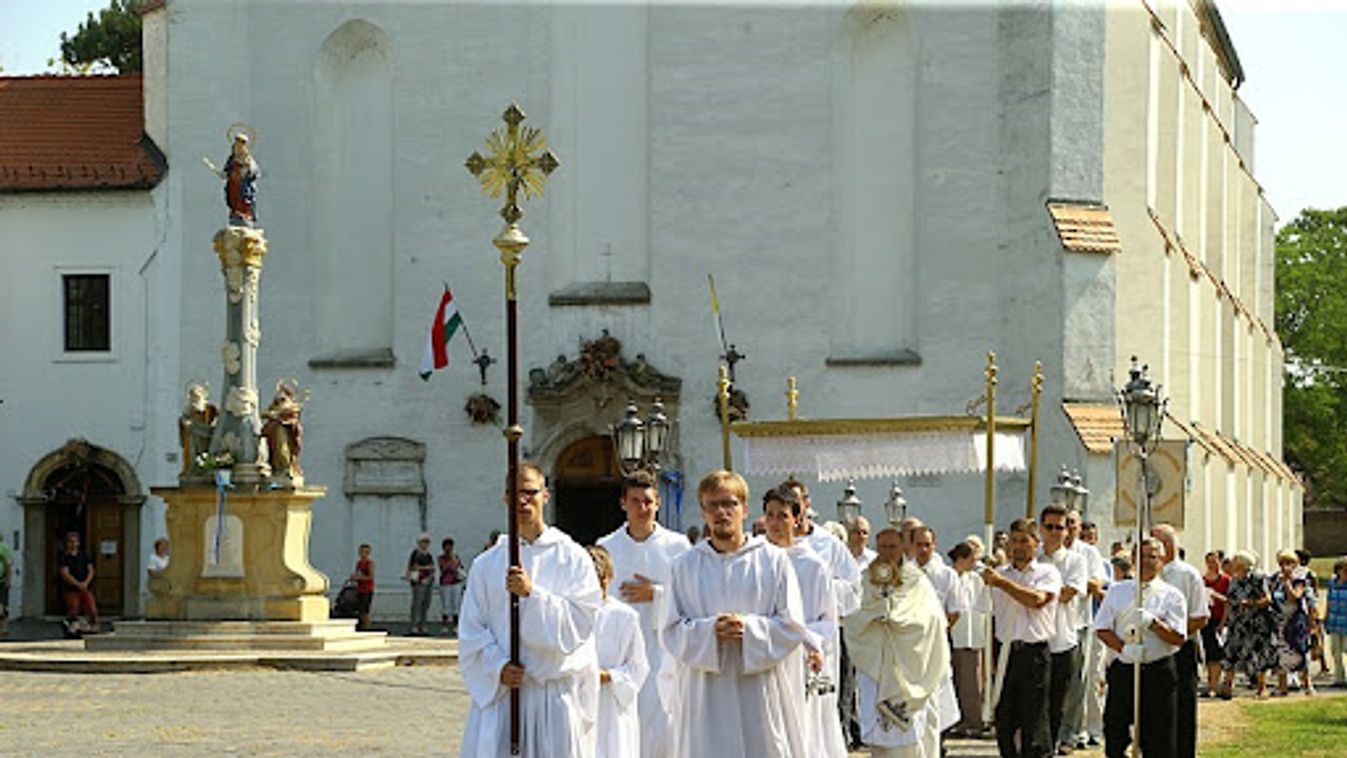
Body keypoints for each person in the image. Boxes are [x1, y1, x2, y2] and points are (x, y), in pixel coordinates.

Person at [458, 462, 602, 757]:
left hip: (553, 699)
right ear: (505, 498)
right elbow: (472, 629)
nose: (523, 500)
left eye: (530, 492)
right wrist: (497, 667)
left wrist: (532, 595)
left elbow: (581, 623)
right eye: (515, 494)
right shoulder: (486, 564)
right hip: (505, 697)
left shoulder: (573, 558)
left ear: (545, 496)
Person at [664, 470, 808, 758]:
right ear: (703, 512)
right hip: (705, 694)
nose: (721, 512)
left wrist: (750, 630)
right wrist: (708, 632)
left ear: (745, 509)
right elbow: (670, 629)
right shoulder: (684, 566)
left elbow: (792, 626)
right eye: (712, 505)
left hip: (758, 689)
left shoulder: (773, 561)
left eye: (729, 504)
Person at [596, 470, 691, 758]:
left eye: (648, 501)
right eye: (635, 501)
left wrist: (657, 595)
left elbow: (690, 600)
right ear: (623, 503)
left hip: (661, 649)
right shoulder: (607, 546)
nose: (642, 508)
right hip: (619, 654)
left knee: (662, 726)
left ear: (658, 503)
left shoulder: (678, 547)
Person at [845, 527, 950, 757]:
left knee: (913, 738)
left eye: (892, 546)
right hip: (876, 665)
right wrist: (874, 615)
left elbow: (930, 619)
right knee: (882, 742)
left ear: (903, 547)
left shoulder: (917, 580)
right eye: (882, 546)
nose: (887, 552)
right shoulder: (866, 579)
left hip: (910, 668)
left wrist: (895, 618)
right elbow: (853, 617)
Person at [762, 486, 848, 757]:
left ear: (796, 519)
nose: (775, 523)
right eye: (770, 515)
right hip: (764, 656)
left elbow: (827, 619)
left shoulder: (814, 566)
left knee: (804, 731)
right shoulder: (756, 560)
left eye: (782, 516)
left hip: (800, 659)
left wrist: (807, 640)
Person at [1094, 537, 1188, 758]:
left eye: (1152, 557)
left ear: (1162, 560)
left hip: (1158, 671)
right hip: (1124, 669)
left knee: (1159, 738)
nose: (1146, 561)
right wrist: (1123, 649)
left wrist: (1153, 623)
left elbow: (1178, 637)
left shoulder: (1172, 596)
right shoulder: (1117, 591)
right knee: (1115, 732)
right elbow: (1102, 628)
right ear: (1133, 559)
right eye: (1142, 556)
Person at [982, 518, 1060, 758]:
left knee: (1034, 719)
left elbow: (1036, 600)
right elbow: (987, 613)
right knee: (1005, 718)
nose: (1018, 546)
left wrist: (1002, 583)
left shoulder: (1047, 572)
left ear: (1035, 544)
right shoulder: (998, 575)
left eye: (1024, 541)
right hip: (1006, 652)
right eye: (1014, 541)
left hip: (1034, 653)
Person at [1149, 523, 1207, 757]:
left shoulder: (1186, 575)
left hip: (1180, 648)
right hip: (1152, 651)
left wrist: (1173, 635)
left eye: (1154, 544)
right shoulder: (1146, 575)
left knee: (1182, 709)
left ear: (1168, 545)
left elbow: (1200, 616)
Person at [587, 545, 649, 758]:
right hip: (582, 700)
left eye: (601, 578)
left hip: (613, 705)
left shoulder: (625, 616)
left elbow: (638, 667)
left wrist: (610, 676)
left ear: (610, 577)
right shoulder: (574, 615)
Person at [1037, 504, 1087, 756]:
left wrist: (1038, 594)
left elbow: (1068, 594)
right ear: (1041, 528)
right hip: (1034, 638)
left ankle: (1052, 747)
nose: (1055, 532)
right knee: (1034, 702)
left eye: (1060, 527)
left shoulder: (1076, 560)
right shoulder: (1032, 557)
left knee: (1058, 702)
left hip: (1062, 638)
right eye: (1050, 527)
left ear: (1068, 531)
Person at [1216, 550, 1277, 699]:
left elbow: (1268, 599)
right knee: (1231, 653)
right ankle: (1227, 686)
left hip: (1256, 624)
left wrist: (1251, 603)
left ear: (1243, 564)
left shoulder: (1258, 578)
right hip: (1237, 623)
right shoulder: (1234, 580)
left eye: (1235, 561)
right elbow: (1229, 602)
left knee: (1258, 655)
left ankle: (1262, 687)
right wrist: (1224, 622)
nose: (1232, 564)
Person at [841, 515, 877, 749]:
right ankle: (848, 729)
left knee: (867, 681)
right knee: (846, 681)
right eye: (856, 531)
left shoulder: (875, 560)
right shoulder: (841, 558)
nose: (860, 536)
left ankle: (867, 728)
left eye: (864, 532)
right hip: (845, 625)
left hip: (868, 627)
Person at [947, 541, 989, 738]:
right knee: (954, 680)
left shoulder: (975, 579)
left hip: (971, 636)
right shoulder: (949, 576)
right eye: (972, 559)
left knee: (971, 682)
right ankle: (957, 720)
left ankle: (973, 720)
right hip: (953, 635)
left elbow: (981, 606)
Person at [1270, 549, 1315, 696]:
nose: (1285, 566)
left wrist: (1288, 582)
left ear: (1295, 564)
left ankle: (1308, 685)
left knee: (1300, 650)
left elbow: (1296, 596)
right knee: (1280, 652)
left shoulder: (1299, 579)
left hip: (1296, 620)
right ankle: (1282, 687)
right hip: (1280, 620)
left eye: (1289, 563)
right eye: (1282, 563)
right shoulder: (1275, 578)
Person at [58, 531, 99, 635]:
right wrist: (77, 584)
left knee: (92, 608)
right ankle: (72, 628)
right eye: (70, 542)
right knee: (73, 609)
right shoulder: (64, 557)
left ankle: (94, 627)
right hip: (71, 589)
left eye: (75, 541)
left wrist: (86, 582)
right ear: (67, 543)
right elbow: (65, 573)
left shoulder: (84, 555)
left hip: (86, 587)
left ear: (78, 543)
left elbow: (90, 570)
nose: (73, 544)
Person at [1201, 550, 1231, 696]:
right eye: (1209, 562)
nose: (1212, 565)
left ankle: (1214, 685)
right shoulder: (1201, 580)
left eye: (1214, 561)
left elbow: (1229, 602)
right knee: (1207, 653)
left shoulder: (1226, 580)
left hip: (1219, 619)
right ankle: (1209, 682)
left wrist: (1223, 623)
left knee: (1216, 654)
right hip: (1205, 619)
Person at [1324, 557, 1347, 688]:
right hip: (1334, 621)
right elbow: (1329, 600)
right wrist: (1326, 616)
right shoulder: (1332, 582)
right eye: (1344, 570)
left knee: (1346, 649)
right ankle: (1339, 678)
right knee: (1335, 650)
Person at [406, 534, 436, 636]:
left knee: (426, 603)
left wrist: (429, 571)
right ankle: (413, 625)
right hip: (418, 581)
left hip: (428, 580)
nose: (425, 544)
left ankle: (422, 625)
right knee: (417, 603)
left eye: (427, 542)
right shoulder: (416, 554)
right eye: (423, 542)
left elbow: (432, 567)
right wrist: (426, 568)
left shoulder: (428, 555)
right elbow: (414, 567)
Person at [439, 538, 466, 635]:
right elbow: (443, 568)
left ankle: (456, 625)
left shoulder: (456, 557)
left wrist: (454, 561)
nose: (449, 548)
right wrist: (450, 563)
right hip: (445, 583)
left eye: (450, 546)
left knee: (456, 605)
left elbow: (459, 567)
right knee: (446, 605)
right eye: (447, 546)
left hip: (456, 582)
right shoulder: (441, 558)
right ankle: (445, 625)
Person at [350, 544, 375, 632]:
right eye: (361, 552)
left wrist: (359, 578)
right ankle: (363, 627)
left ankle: (367, 628)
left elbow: (371, 577)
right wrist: (354, 578)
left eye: (365, 552)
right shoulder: (359, 563)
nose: (362, 554)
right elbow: (358, 574)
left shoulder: (369, 563)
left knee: (365, 611)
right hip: (360, 589)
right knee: (360, 611)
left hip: (367, 589)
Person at [0, 532, 13, 637]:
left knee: (3, 605)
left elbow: (8, 565)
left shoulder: (3, 547)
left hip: (1, 581)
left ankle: (4, 627)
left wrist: (8, 579)